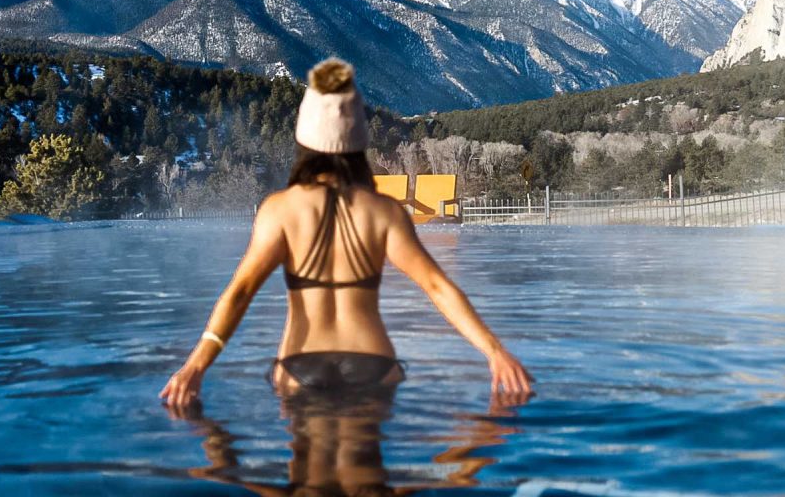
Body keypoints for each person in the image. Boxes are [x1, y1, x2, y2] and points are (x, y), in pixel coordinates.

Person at [160, 58, 532, 408]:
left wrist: (195, 366)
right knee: (370, 475)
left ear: (304, 136)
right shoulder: (384, 211)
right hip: (372, 362)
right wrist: (495, 352)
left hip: (299, 363)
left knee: (304, 477)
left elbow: (240, 292)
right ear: (358, 140)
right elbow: (437, 286)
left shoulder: (281, 209)